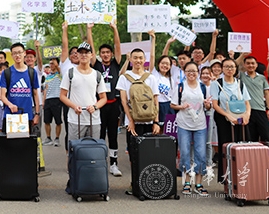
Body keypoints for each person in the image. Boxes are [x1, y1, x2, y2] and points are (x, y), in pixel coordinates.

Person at [116, 32, 160, 195]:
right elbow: (123, 101)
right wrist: (131, 121)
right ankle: (135, 184)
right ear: (131, 59)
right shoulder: (124, 78)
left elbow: (155, 101)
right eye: (135, 58)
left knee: (149, 154)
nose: (138, 61)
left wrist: (156, 122)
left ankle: (149, 184)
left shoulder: (151, 78)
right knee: (134, 155)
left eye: (141, 58)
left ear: (144, 59)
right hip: (132, 123)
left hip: (149, 121)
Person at [87, 20, 123, 176]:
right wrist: (89, 30)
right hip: (99, 105)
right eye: (103, 52)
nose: (106, 54)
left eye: (108, 52)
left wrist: (115, 29)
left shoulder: (115, 64)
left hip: (113, 104)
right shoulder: (96, 65)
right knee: (99, 135)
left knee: (113, 135)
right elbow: (91, 48)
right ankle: (100, 162)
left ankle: (114, 164)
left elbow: (118, 46)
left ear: (111, 54)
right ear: (99, 55)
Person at [170, 62, 211, 197]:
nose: (191, 73)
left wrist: (207, 105)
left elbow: (208, 106)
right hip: (183, 124)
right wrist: (181, 106)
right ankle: (187, 182)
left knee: (201, 154)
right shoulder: (180, 86)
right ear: (185, 72)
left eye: (194, 71)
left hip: (200, 125)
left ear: (198, 72)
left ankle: (198, 183)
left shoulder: (203, 87)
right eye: (188, 71)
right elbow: (173, 104)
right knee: (184, 152)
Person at [210, 57, 251, 179]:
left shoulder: (240, 83)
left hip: (240, 118)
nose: (229, 69)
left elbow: (247, 103)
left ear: (236, 69)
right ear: (222, 69)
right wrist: (228, 115)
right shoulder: (216, 83)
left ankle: (243, 176)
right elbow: (215, 105)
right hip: (224, 119)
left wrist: (247, 115)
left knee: (242, 146)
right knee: (226, 147)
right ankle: (227, 178)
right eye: (226, 66)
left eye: (232, 66)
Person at [60, 42, 107, 142]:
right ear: (77, 55)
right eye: (81, 52)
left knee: (93, 148)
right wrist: (74, 107)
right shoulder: (70, 73)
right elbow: (62, 96)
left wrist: (95, 107)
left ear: (92, 55)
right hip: (75, 119)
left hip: (93, 120)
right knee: (75, 148)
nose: (84, 55)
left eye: (87, 52)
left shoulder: (97, 75)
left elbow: (103, 98)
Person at [0, 43, 40, 131]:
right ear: (11, 55)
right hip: (10, 115)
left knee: (27, 140)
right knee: (10, 140)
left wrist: (37, 114)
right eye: (14, 53)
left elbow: (35, 94)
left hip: (27, 116)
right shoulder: (6, 73)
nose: (17, 55)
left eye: (19, 52)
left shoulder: (32, 72)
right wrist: (10, 105)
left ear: (24, 53)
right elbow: (2, 96)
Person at [239, 56, 269, 144]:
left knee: (266, 136)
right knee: (251, 137)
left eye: (253, 63)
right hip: (247, 111)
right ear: (244, 65)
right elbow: (234, 64)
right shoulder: (241, 76)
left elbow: (267, 93)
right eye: (248, 63)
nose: (250, 65)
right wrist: (242, 55)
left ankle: (267, 152)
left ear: (256, 65)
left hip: (261, 110)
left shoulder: (262, 77)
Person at [60, 21, 80, 150]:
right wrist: (65, 29)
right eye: (73, 53)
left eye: (78, 52)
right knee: (70, 130)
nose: (76, 54)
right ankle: (69, 154)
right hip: (68, 102)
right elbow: (65, 46)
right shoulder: (66, 65)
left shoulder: (86, 67)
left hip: (83, 102)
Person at [41, 58, 63, 147]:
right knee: (46, 121)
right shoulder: (48, 76)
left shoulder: (60, 74)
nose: (51, 65)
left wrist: (56, 62)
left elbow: (59, 68)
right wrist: (44, 101)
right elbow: (46, 89)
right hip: (48, 100)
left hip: (57, 99)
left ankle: (57, 138)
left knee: (58, 121)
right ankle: (48, 138)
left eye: (53, 63)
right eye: (50, 63)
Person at [199, 66, 216, 166]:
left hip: (210, 113)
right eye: (203, 73)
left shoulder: (214, 86)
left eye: (207, 73)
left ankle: (208, 163)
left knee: (208, 141)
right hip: (198, 113)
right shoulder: (197, 86)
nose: (205, 75)